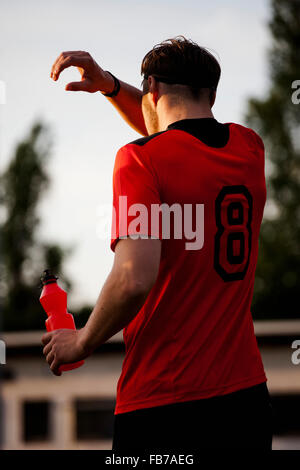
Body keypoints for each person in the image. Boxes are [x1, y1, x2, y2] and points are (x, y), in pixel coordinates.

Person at [42, 36, 273, 450]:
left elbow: (133, 277)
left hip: (165, 403)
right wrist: (111, 86)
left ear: (152, 89)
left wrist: (82, 339)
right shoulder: (249, 147)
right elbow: (174, 133)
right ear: (213, 93)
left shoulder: (140, 159)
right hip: (246, 401)